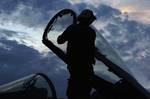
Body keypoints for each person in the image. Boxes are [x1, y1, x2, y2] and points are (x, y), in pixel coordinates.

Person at [57, 9, 96, 99]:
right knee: (85, 91)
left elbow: (60, 41)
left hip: (74, 66)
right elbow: (91, 48)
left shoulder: (72, 28)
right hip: (87, 68)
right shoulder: (91, 32)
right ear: (90, 20)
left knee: (73, 92)